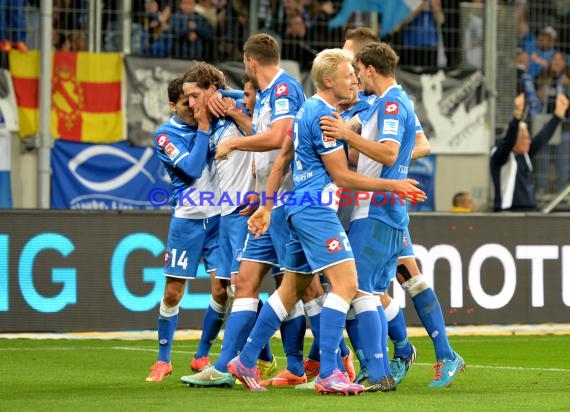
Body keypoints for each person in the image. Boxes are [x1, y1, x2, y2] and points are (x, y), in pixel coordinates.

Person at [228, 48, 425, 394]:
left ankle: (244, 362)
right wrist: (392, 183)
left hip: (298, 208)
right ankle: (330, 372)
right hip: (317, 211)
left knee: (291, 289)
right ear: (329, 80)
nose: (354, 81)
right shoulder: (323, 117)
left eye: (355, 74)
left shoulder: (307, 110)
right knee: (348, 284)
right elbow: (341, 175)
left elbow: (281, 162)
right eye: (349, 75)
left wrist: (269, 207)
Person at [323, 30, 464, 389]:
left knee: (363, 288)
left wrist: (387, 164)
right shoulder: (376, 104)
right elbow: (369, 152)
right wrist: (352, 136)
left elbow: (403, 147)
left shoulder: (391, 104)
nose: (351, 77)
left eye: (354, 67)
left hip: (380, 204)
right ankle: (402, 354)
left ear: (367, 67)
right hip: (374, 204)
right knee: (378, 286)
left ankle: (386, 365)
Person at [183, 33, 311, 388]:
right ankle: (229, 367)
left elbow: (279, 139)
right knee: (246, 281)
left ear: (250, 61)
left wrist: (236, 140)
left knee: (303, 286)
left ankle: (324, 362)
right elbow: (268, 151)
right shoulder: (269, 94)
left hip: (291, 202)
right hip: (269, 205)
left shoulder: (284, 90)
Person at [146, 72, 221, 382]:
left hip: (219, 219)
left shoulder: (217, 122)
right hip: (187, 220)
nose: (193, 108)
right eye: (185, 104)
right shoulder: (165, 134)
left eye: (196, 101)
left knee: (223, 290)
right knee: (174, 293)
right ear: (171, 106)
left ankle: (201, 355)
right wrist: (204, 129)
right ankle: (163, 360)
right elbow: (190, 170)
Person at [491, 92, 569, 211]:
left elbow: (542, 137)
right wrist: (517, 115)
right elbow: (509, 140)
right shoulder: (500, 157)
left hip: (530, 210)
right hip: (508, 212)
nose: (529, 141)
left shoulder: (525, 155)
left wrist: (557, 116)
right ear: (514, 141)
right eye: (525, 138)